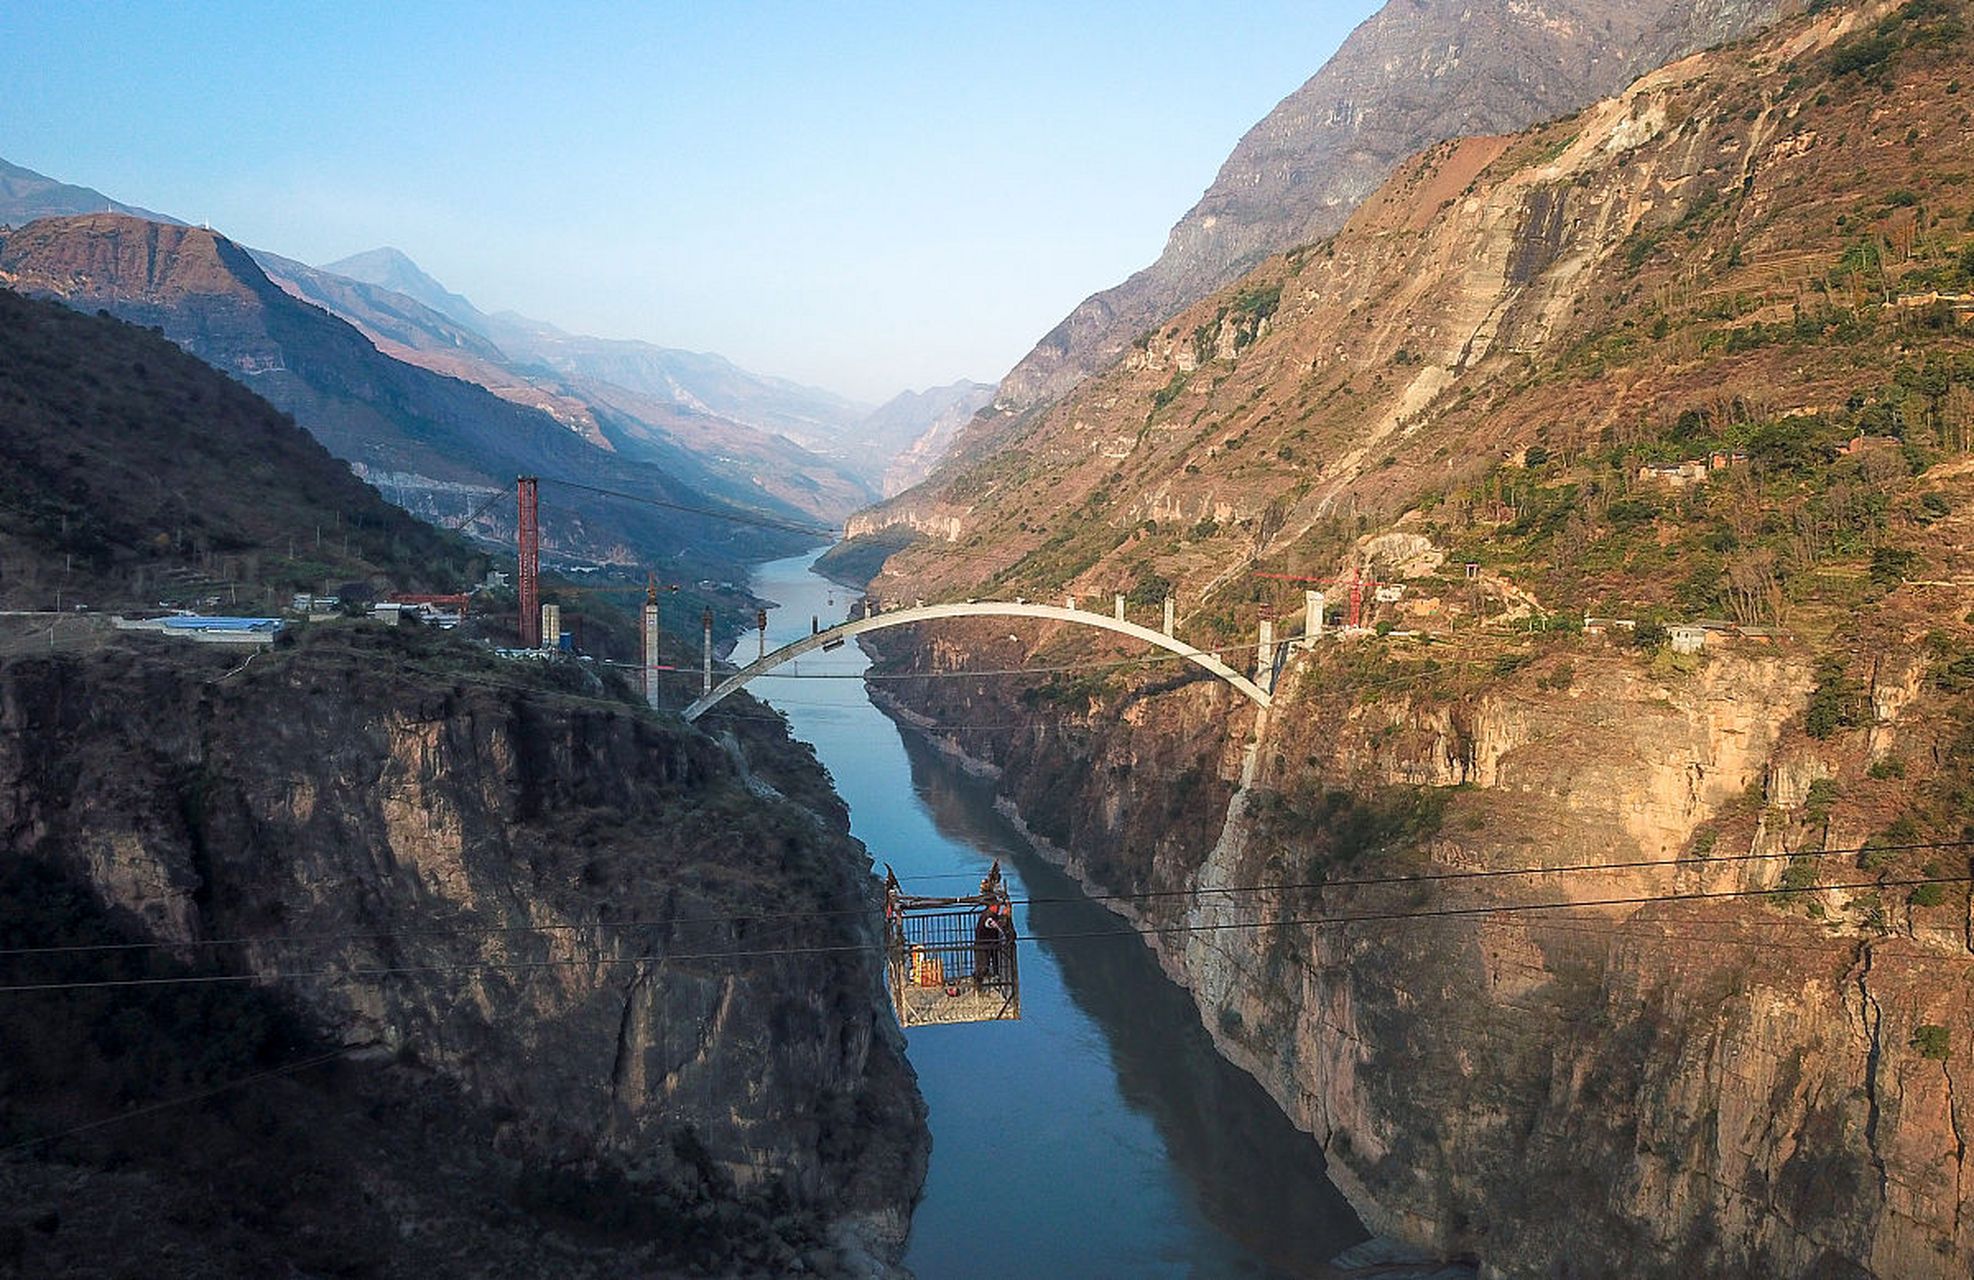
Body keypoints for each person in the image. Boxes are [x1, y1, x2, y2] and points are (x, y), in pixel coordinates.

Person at [973, 900, 1011, 988]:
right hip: (983, 947)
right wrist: (1004, 916)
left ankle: (993, 979)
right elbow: (997, 925)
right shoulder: (988, 917)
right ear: (993, 906)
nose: (999, 908)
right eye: (998, 906)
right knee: (982, 968)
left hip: (989, 945)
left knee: (993, 965)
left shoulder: (991, 915)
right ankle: (978, 987)